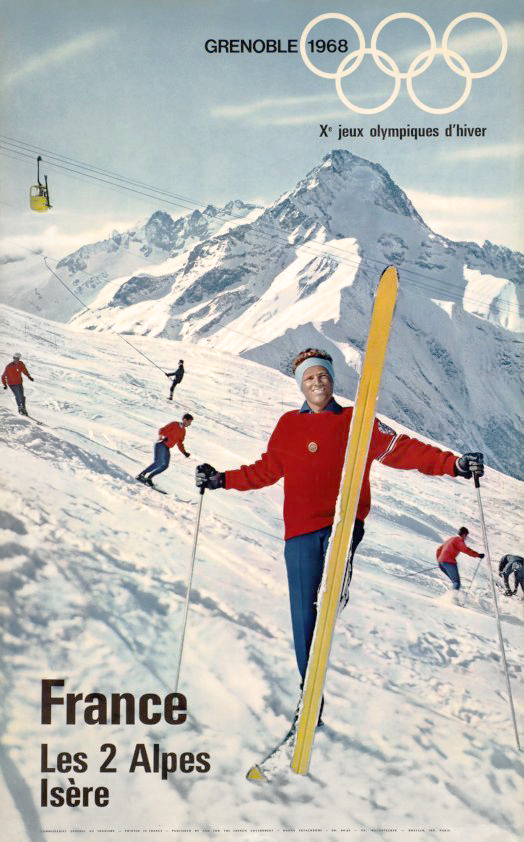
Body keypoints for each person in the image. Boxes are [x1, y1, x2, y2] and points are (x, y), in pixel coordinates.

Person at [195, 347, 484, 691]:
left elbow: (402, 449)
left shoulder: (356, 421)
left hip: (343, 523)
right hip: (299, 531)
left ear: (331, 379)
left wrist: (454, 464)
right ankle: (309, 694)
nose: (317, 383)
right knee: (303, 614)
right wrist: (220, 479)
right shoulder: (288, 425)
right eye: (309, 378)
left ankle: (337, 579)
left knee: (326, 597)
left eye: (322, 376)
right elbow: (266, 470)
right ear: (300, 386)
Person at [137, 413, 193, 486]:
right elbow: (162, 430)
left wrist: (184, 452)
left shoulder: (183, 431)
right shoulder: (174, 424)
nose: (190, 424)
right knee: (159, 462)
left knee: (165, 465)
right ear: (185, 420)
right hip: (161, 444)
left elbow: (179, 443)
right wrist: (163, 437)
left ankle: (149, 478)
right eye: (189, 422)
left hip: (167, 448)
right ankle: (141, 475)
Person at [436, 527, 484, 591]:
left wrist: (440, 560)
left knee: (454, 582)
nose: (466, 537)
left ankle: (451, 597)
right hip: (449, 563)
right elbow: (466, 550)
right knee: (456, 583)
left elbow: (439, 549)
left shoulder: (451, 539)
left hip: (441, 563)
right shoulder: (459, 540)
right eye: (466, 535)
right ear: (464, 534)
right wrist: (478, 555)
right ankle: (453, 599)